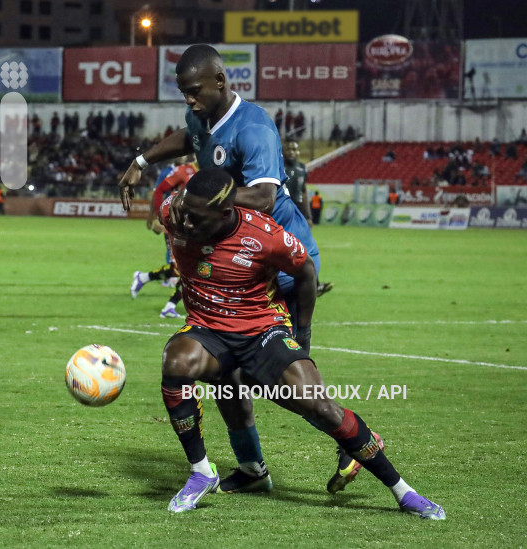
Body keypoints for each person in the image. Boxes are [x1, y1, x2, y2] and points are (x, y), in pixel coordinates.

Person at [157, 168, 445, 520]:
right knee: (176, 361)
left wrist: (303, 333)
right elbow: (165, 205)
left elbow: (306, 272)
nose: (186, 223)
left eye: (196, 217)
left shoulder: (265, 236)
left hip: (262, 330)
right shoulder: (175, 214)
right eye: (185, 211)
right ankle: (202, 472)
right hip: (208, 330)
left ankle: (403, 491)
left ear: (225, 210)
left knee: (318, 406)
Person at [118, 44, 332, 496]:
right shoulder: (202, 116)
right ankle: (253, 469)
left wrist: (197, 199)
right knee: (227, 379)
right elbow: (189, 137)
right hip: (241, 264)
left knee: (279, 382)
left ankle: (354, 442)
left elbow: (264, 199)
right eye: (183, 92)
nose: (189, 99)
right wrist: (141, 161)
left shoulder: (254, 129)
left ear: (220, 81)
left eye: (195, 91)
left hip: (280, 262)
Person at [131, 157, 197, 318]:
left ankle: (146, 280)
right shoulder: (183, 171)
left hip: (195, 227)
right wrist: (158, 217)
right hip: (177, 227)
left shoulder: (212, 171)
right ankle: (166, 301)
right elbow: (159, 190)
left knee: (189, 269)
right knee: (181, 269)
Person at [283, 141, 332, 298]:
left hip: (298, 216)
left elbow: (303, 192)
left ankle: (313, 284)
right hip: (282, 214)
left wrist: (308, 216)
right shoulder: (277, 166)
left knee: (306, 250)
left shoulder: (302, 168)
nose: (292, 152)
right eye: (289, 148)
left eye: (295, 149)